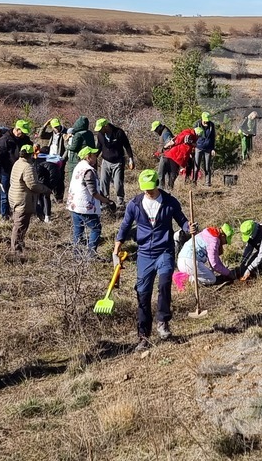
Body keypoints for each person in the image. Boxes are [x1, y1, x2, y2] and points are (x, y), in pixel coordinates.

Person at [113, 170, 191, 351]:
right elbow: (125, 225)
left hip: (164, 250)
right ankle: (143, 336)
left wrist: (189, 227)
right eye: (145, 189)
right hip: (144, 254)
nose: (148, 192)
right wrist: (118, 243)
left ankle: (162, 321)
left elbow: (182, 220)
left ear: (157, 184)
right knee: (143, 293)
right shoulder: (135, 204)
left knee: (164, 283)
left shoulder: (169, 202)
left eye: (151, 188)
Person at [67, 146, 114, 258]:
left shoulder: (78, 166)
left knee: (78, 230)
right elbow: (93, 192)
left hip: (74, 204)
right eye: (93, 155)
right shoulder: (89, 171)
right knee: (96, 229)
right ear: (88, 157)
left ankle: (76, 255)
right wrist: (107, 201)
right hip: (85, 206)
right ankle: (91, 255)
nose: (96, 157)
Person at [9, 144, 49, 254]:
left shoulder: (17, 163)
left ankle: (19, 245)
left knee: (19, 224)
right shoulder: (28, 167)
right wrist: (45, 189)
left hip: (15, 196)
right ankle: (16, 250)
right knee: (20, 225)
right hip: (23, 199)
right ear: (31, 154)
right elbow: (33, 185)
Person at [0, 120, 33, 219]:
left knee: (19, 193)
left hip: (19, 171)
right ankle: (5, 215)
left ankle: (17, 213)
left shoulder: (25, 139)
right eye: (22, 132)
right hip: (5, 171)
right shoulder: (4, 140)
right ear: (17, 129)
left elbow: (30, 147)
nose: (23, 134)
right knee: (5, 195)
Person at [95, 118, 135, 210]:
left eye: (100, 128)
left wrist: (131, 159)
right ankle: (105, 202)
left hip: (118, 161)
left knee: (118, 183)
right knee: (103, 182)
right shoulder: (100, 134)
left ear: (106, 126)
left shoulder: (119, 133)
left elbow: (127, 145)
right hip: (105, 161)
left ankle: (120, 202)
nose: (99, 130)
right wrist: (94, 158)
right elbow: (99, 147)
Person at [64, 116, 95, 186]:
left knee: (74, 180)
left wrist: (66, 142)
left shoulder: (78, 134)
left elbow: (73, 148)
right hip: (88, 158)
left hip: (76, 160)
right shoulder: (90, 133)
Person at [192, 112, 217, 185]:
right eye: (205, 120)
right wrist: (193, 146)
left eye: (207, 120)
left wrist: (213, 149)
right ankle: (194, 182)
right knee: (196, 167)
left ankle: (208, 183)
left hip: (208, 148)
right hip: (198, 147)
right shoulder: (197, 124)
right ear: (202, 118)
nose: (206, 122)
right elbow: (193, 135)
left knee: (207, 167)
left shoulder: (211, 125)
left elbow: (213, 138)